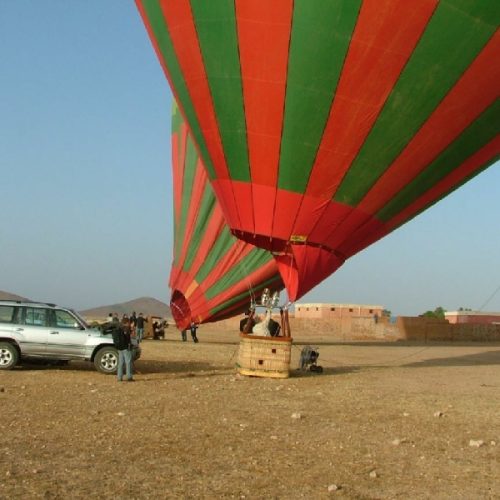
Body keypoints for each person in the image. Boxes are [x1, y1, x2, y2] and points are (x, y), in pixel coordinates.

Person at [112, 318, 134, 382]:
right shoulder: (126, 328)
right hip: (126, 348)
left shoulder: (119, 328)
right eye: (129, 322)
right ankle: (129, 377)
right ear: (127, 322)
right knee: (128, 362)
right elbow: (128, 338)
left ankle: (119, 377)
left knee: (120, 363)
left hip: (119, 348)